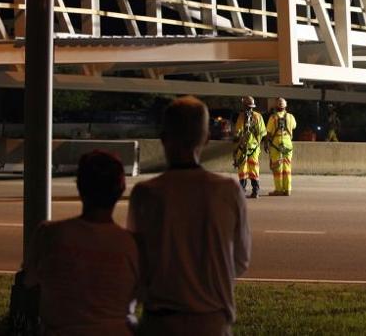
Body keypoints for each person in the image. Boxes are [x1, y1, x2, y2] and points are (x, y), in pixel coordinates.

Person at [128, 96, 251, 336]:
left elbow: (137, 264)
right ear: (205, 139)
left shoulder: (145, 194)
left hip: (160, 323)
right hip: (212, 322)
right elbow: (240, 260)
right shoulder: (228, 191)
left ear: (163, 138)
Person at [24, 150, 139, 336]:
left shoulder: (48, 235)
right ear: (121, 190)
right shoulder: (132, 246)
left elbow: (29, 282)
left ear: (79, 186)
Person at [232, 95, 266, 198]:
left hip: (243, 148)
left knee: (242, 170)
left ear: (244, 105)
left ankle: (242, 191)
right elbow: (263, 133)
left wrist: (235, 146)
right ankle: (255, 191)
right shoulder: (258, 116)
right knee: (254, 169)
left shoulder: (241, 117)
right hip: (255, 147)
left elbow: (237, 133)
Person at [265, 97, 297, 196]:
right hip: (288, 143)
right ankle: (287, 189)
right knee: (287, 167)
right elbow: (294, 126)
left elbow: (269, 133)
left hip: (276, 143)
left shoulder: (273, 117)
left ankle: (278, 189)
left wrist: (266, 143)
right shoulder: (291, 117)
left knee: (277, 167)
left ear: (276, 106)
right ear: (285, 106)